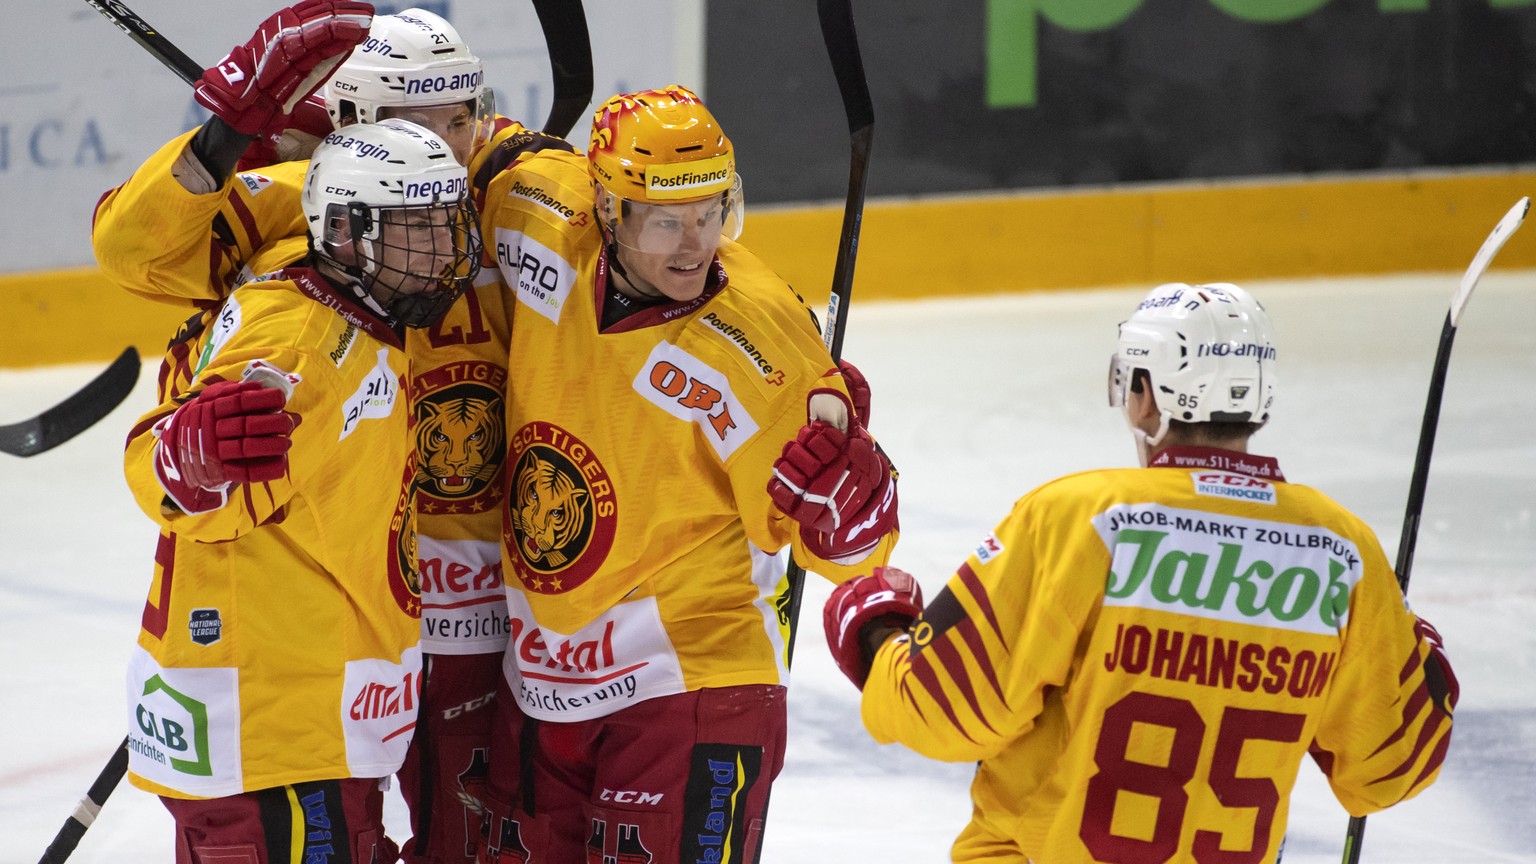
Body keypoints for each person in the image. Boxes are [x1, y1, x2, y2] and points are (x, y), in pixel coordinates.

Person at [91, 5, 570, 860]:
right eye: (411, 126)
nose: (445, 145)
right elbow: (135, 255)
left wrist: (789, 362)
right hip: (325, 637)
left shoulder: (513, 187)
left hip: (481, 605)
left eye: (460, 118)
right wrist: (230, 132)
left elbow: (675, 245)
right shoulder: (302, 220)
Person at [821, 281, 1460, 863]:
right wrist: (1417, 653)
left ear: (1144, 396)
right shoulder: (1341, 550)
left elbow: (946, 710)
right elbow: (1388, 770)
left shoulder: (1080, 519)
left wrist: (879, 638)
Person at [468, 84, 901, 864]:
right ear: (606, 210)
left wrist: (853, 499)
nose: (694, 245)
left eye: (711, 214)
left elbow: (850, 555)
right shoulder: (538, 209)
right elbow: (469, 146)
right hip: (539, 675)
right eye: (667, 221)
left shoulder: (763, 346)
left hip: (695, 680)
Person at [121, 118, 482, 864]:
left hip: (299, 729)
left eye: (447, 224)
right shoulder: (300, 344)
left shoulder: (351, 306)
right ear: (346, 232)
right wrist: (192, 459)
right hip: (275, 741)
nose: (445, 250)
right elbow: (187, 491)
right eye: (419, 227)